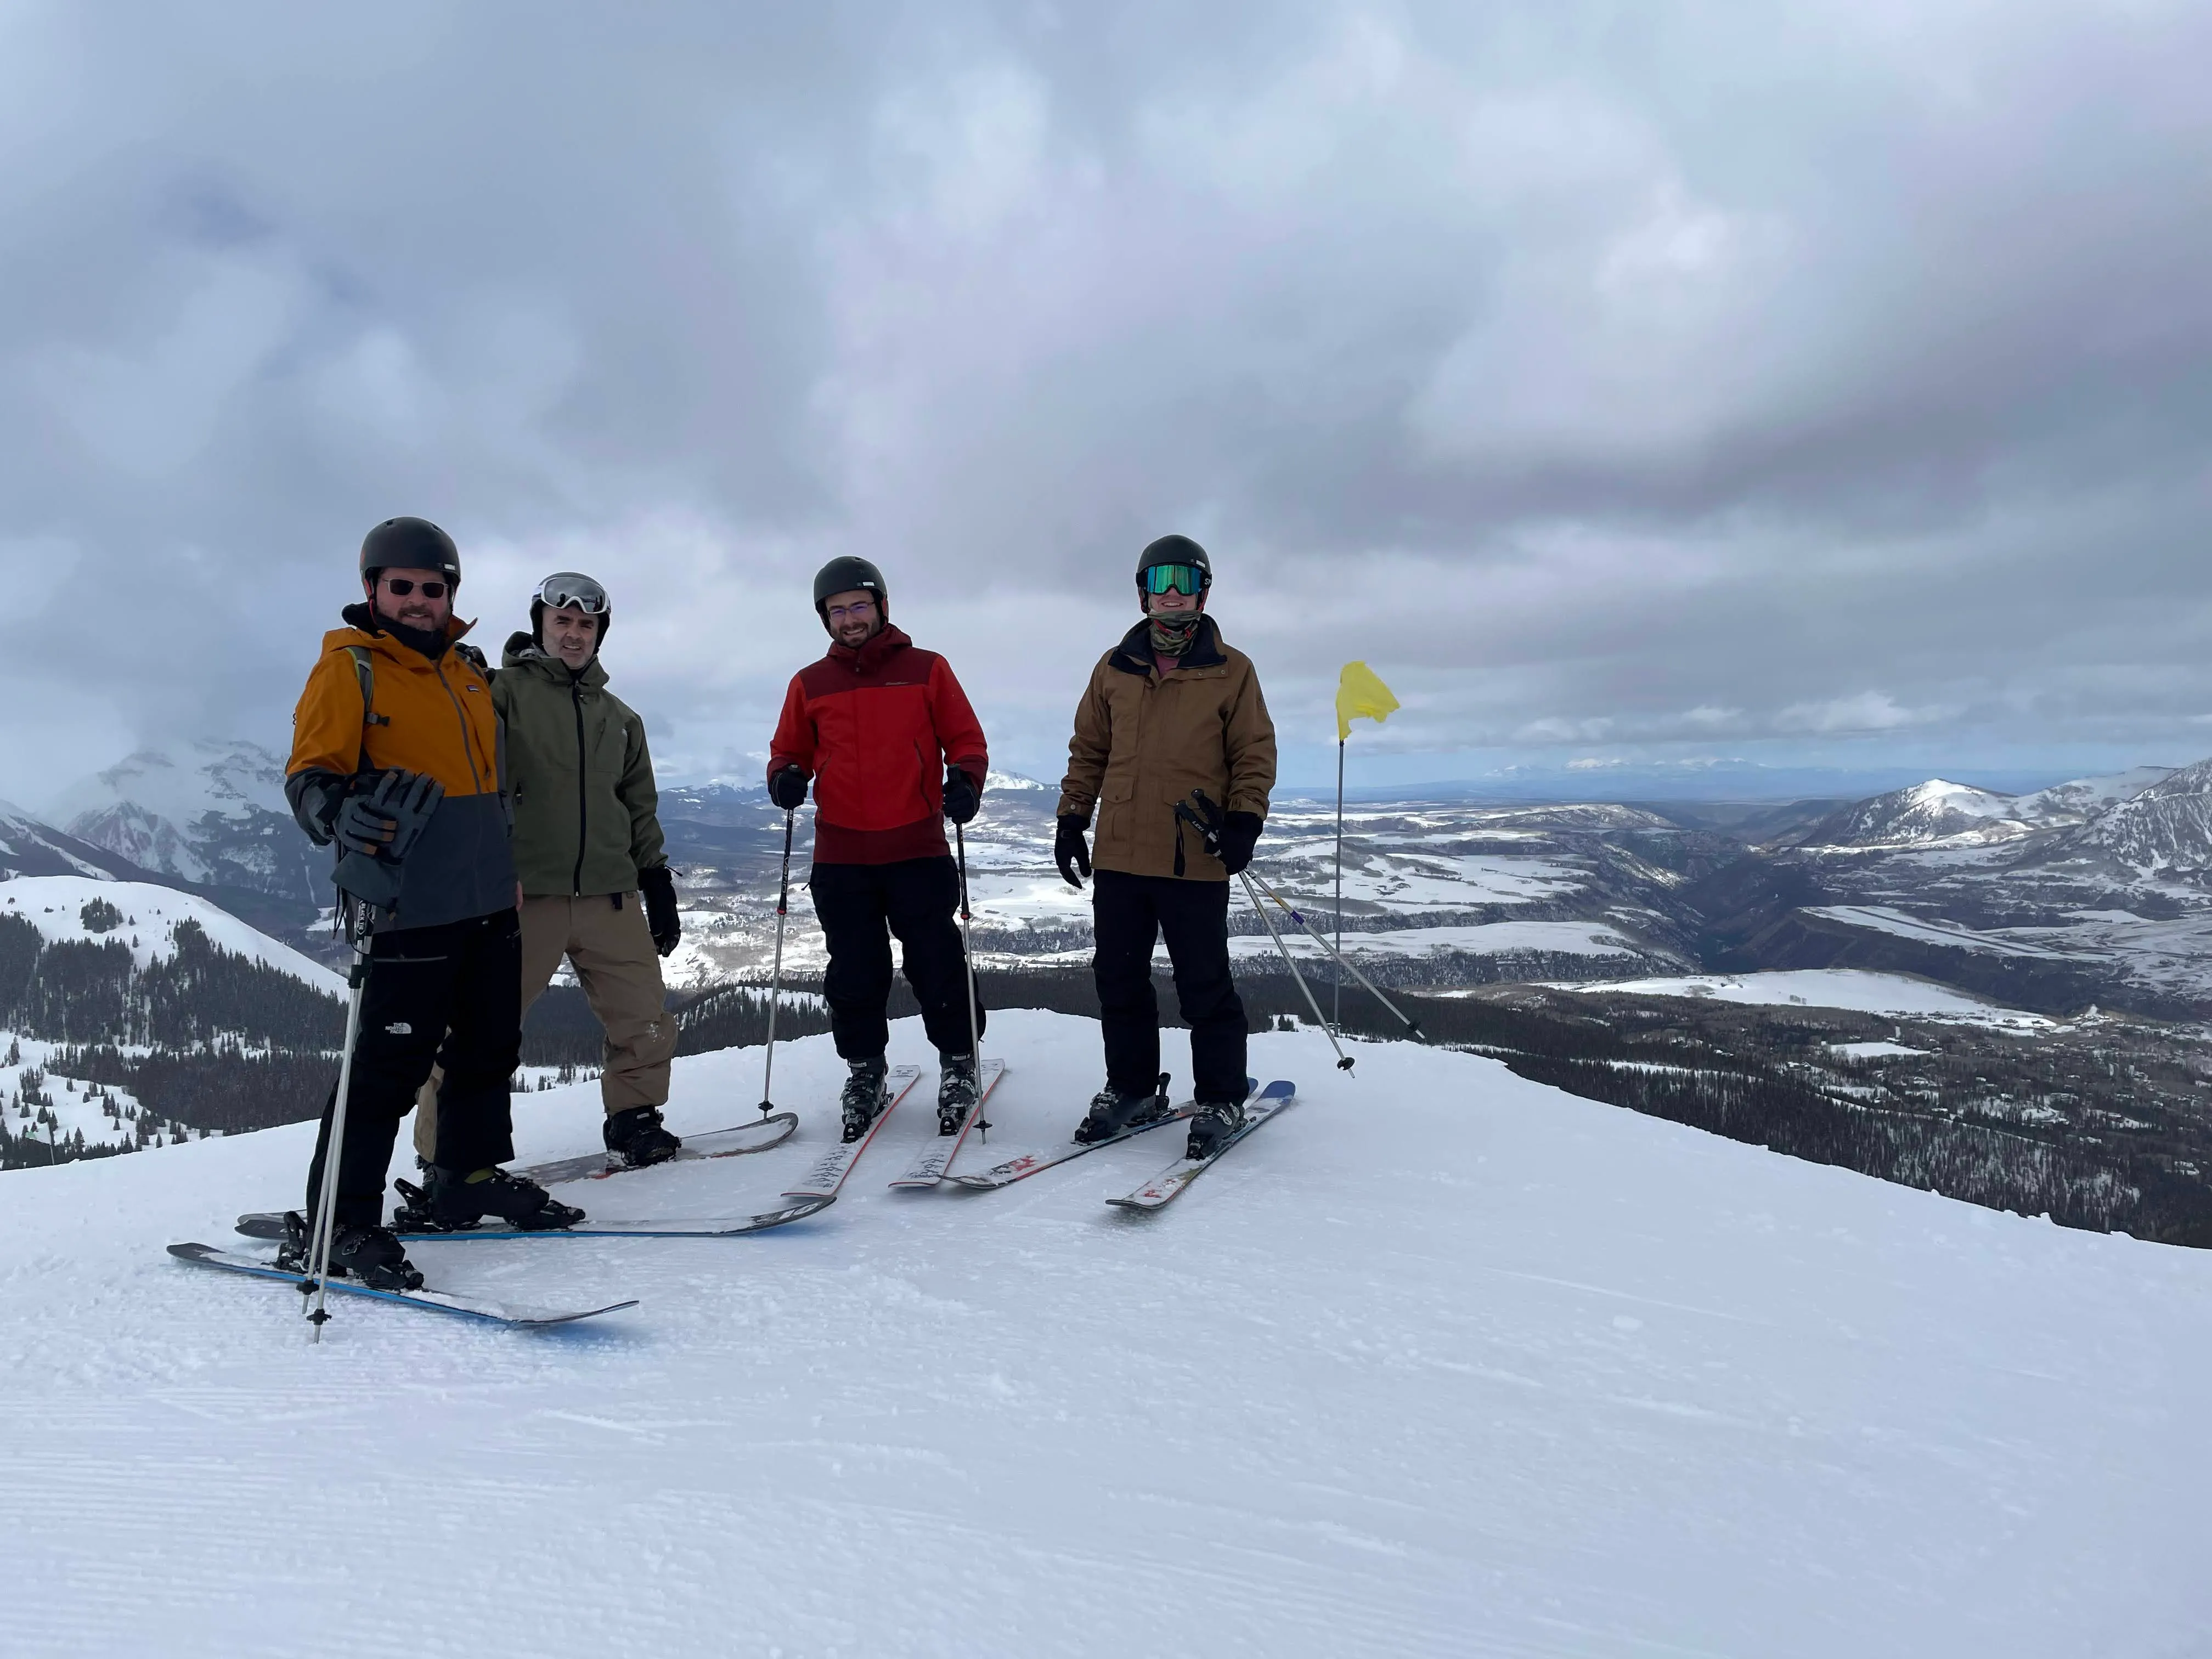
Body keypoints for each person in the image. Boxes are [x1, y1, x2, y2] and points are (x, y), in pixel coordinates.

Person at [280, 516, 581, 1291]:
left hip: (487, 903)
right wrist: (334, 812)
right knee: (385, 1072)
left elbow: (491, 791)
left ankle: (463, 1178)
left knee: (487, 1051)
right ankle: (338, 1222)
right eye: (402, 587)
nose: (419, 601)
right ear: (373, 590)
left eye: (433, 588)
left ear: (451, 594)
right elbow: (310, 775)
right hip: (406, 908)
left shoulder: (466, 672)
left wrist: (504, 868)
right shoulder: (351, 670)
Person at [409, 572, 685, 1173]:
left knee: (643, 1018)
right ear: (540, 623)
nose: (574, 634)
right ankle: (447, 1155)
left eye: (586, 625)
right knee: (479, 1029)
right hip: (521, 894)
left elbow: (638, 806)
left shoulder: (621, 718)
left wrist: (656, 878)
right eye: (562, 621)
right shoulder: (500, 692)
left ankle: (634, 1119)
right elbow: (458, 746)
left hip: (610, 896)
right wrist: (458, 677)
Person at [1054, 534, 1278, 1159]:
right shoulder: (1114, 667)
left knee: (1204, 985)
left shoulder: (1232, 671)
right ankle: (1131, 1088)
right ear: (1143, 593)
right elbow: (1089, 751)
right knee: (1119, 979)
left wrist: (1244, 823)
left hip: (1195, 856)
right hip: (1121, 855)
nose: (1172, 592)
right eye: (1159, 581)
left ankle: (1221, 1096)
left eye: (1184, 580)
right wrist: (1072, 819)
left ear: (1203, 591)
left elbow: (1253, 755)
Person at [766, 556, 989, 1141]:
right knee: (855, 972)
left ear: (881, 606)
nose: (849, 619)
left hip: (917, 844)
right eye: (837, 611)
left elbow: (965, 739)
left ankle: (960, 1063)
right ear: (825, 619)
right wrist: (785, 776)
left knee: (936, 963)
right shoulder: (810, 683)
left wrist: (966, 779)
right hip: (843, 855)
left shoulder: (927, 669)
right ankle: (866, 1071)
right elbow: (788, 750)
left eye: (858, 606)